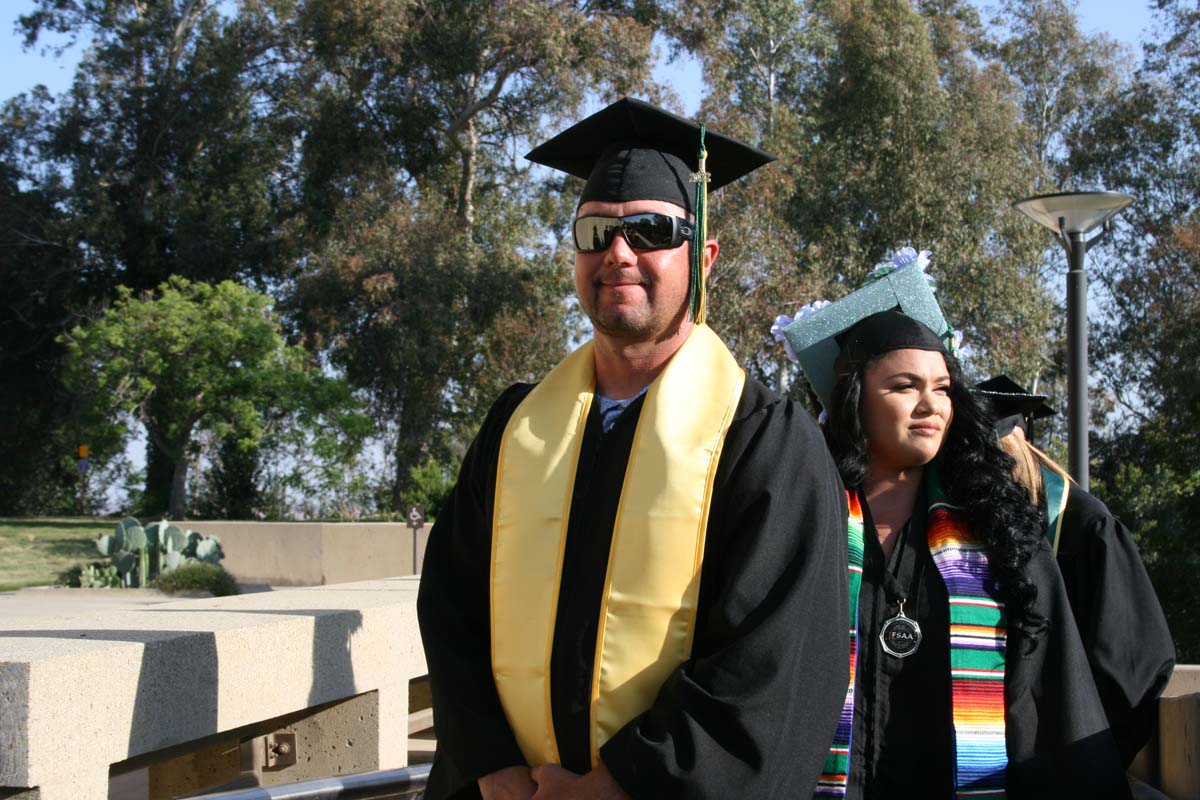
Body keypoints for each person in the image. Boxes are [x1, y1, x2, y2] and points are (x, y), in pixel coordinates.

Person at [417, 98, 850, 800]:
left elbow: (772, 662)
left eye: (651, 231)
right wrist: (491, 764)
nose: (619, 253)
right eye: (595, 232)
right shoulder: (516, 427)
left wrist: (619, 785)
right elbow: (451, 606)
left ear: (703, 258)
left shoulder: (764, 441)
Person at [775, 252, 1131, 799]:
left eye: (942, 388)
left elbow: (1049, 692)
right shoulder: (803, 521)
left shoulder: (998, 531)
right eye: (904, 386)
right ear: (854, 399)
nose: (931, 406)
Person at [974, 376, 1174, 766]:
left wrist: (1080, 756)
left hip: (1067, 758)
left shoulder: (1086, 526)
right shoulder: (980, 529)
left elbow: (1132, 668)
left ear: (1018, 448)